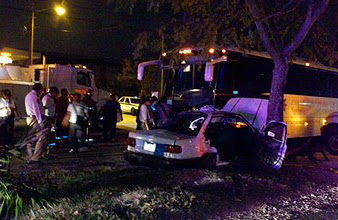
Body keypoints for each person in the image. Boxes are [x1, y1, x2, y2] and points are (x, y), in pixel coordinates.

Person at [25, 83, 47, 164]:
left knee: (31, 137)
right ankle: (35, 158)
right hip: (34, 119)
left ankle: (30, 156)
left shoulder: (28, 95)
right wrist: (40, 122)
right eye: (41, 90)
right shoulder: (34, 96)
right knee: (42, 137)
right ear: (39, 89)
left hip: (30, 118)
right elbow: (36, 109)